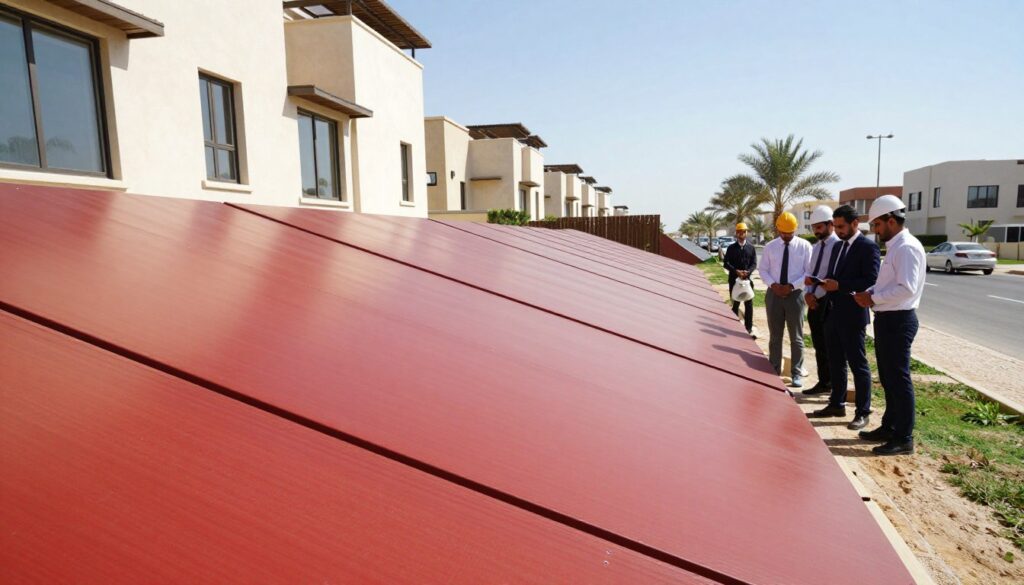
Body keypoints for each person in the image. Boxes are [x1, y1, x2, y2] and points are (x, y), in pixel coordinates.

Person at [853, 195, 926, 455]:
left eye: (877, 225)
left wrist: (872, 297)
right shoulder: (896, 245)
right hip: (887, 319)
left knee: (898, 379)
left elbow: (905, 289)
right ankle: (889, 427)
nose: (875, 230)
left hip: (899, 320)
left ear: (891, 221)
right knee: (888, 378)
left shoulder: (906, 247)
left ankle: (904, 437)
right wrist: (870, 292)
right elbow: (888, 283)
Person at [811, 205, 880, 431]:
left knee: (858, 365)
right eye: (836, 227)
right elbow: (833, 276)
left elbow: (870, 280)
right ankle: (836, 404)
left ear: (855, 223)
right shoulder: (837, 247)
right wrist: (820, 283)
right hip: (832, 312)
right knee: (836, 361)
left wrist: (839, 285)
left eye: (841, 227)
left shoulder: (868, 247)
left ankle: (862, 412)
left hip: (853, 315)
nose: (838, 231)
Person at [758, 212, 812, 387]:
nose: (787, 236)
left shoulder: (805, 247)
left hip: (795, 295)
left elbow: (808, 272)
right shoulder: (770, 247)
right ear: (778, 229)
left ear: (795, 229)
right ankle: (774, 368)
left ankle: (796, 372)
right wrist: (773, 285)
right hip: (773, 295)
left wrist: (791, 286)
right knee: (775, 335)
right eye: (784, 232)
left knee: (796, 336)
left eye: (790, 232)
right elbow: (763, 269)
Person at [802, 205, 840, 396]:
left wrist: (817, 295)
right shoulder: (816, 248)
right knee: (819, 345)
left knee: (831, 347)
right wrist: (808, 294)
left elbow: (832, 277)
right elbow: (810, 273)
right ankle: (824, 382)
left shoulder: (838, 246)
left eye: (819, 227)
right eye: (814, 227)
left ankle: (834, 384)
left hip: (828, 303)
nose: (816, 231)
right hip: (813, 302)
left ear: (830, 225)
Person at [723, 222, 758, 337]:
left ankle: (749, 328)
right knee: (735, 305)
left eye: (743, 231)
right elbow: (726, 263)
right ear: (736, 233)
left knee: (749, 304)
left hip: (747, 281)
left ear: (746, 233)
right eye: (739, 232)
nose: (741, 233)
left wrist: (748, 272)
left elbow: (754, 263)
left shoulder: (751, 248)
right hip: (734, 281)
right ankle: (732, 327)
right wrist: (736, 271)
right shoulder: (731, 248)